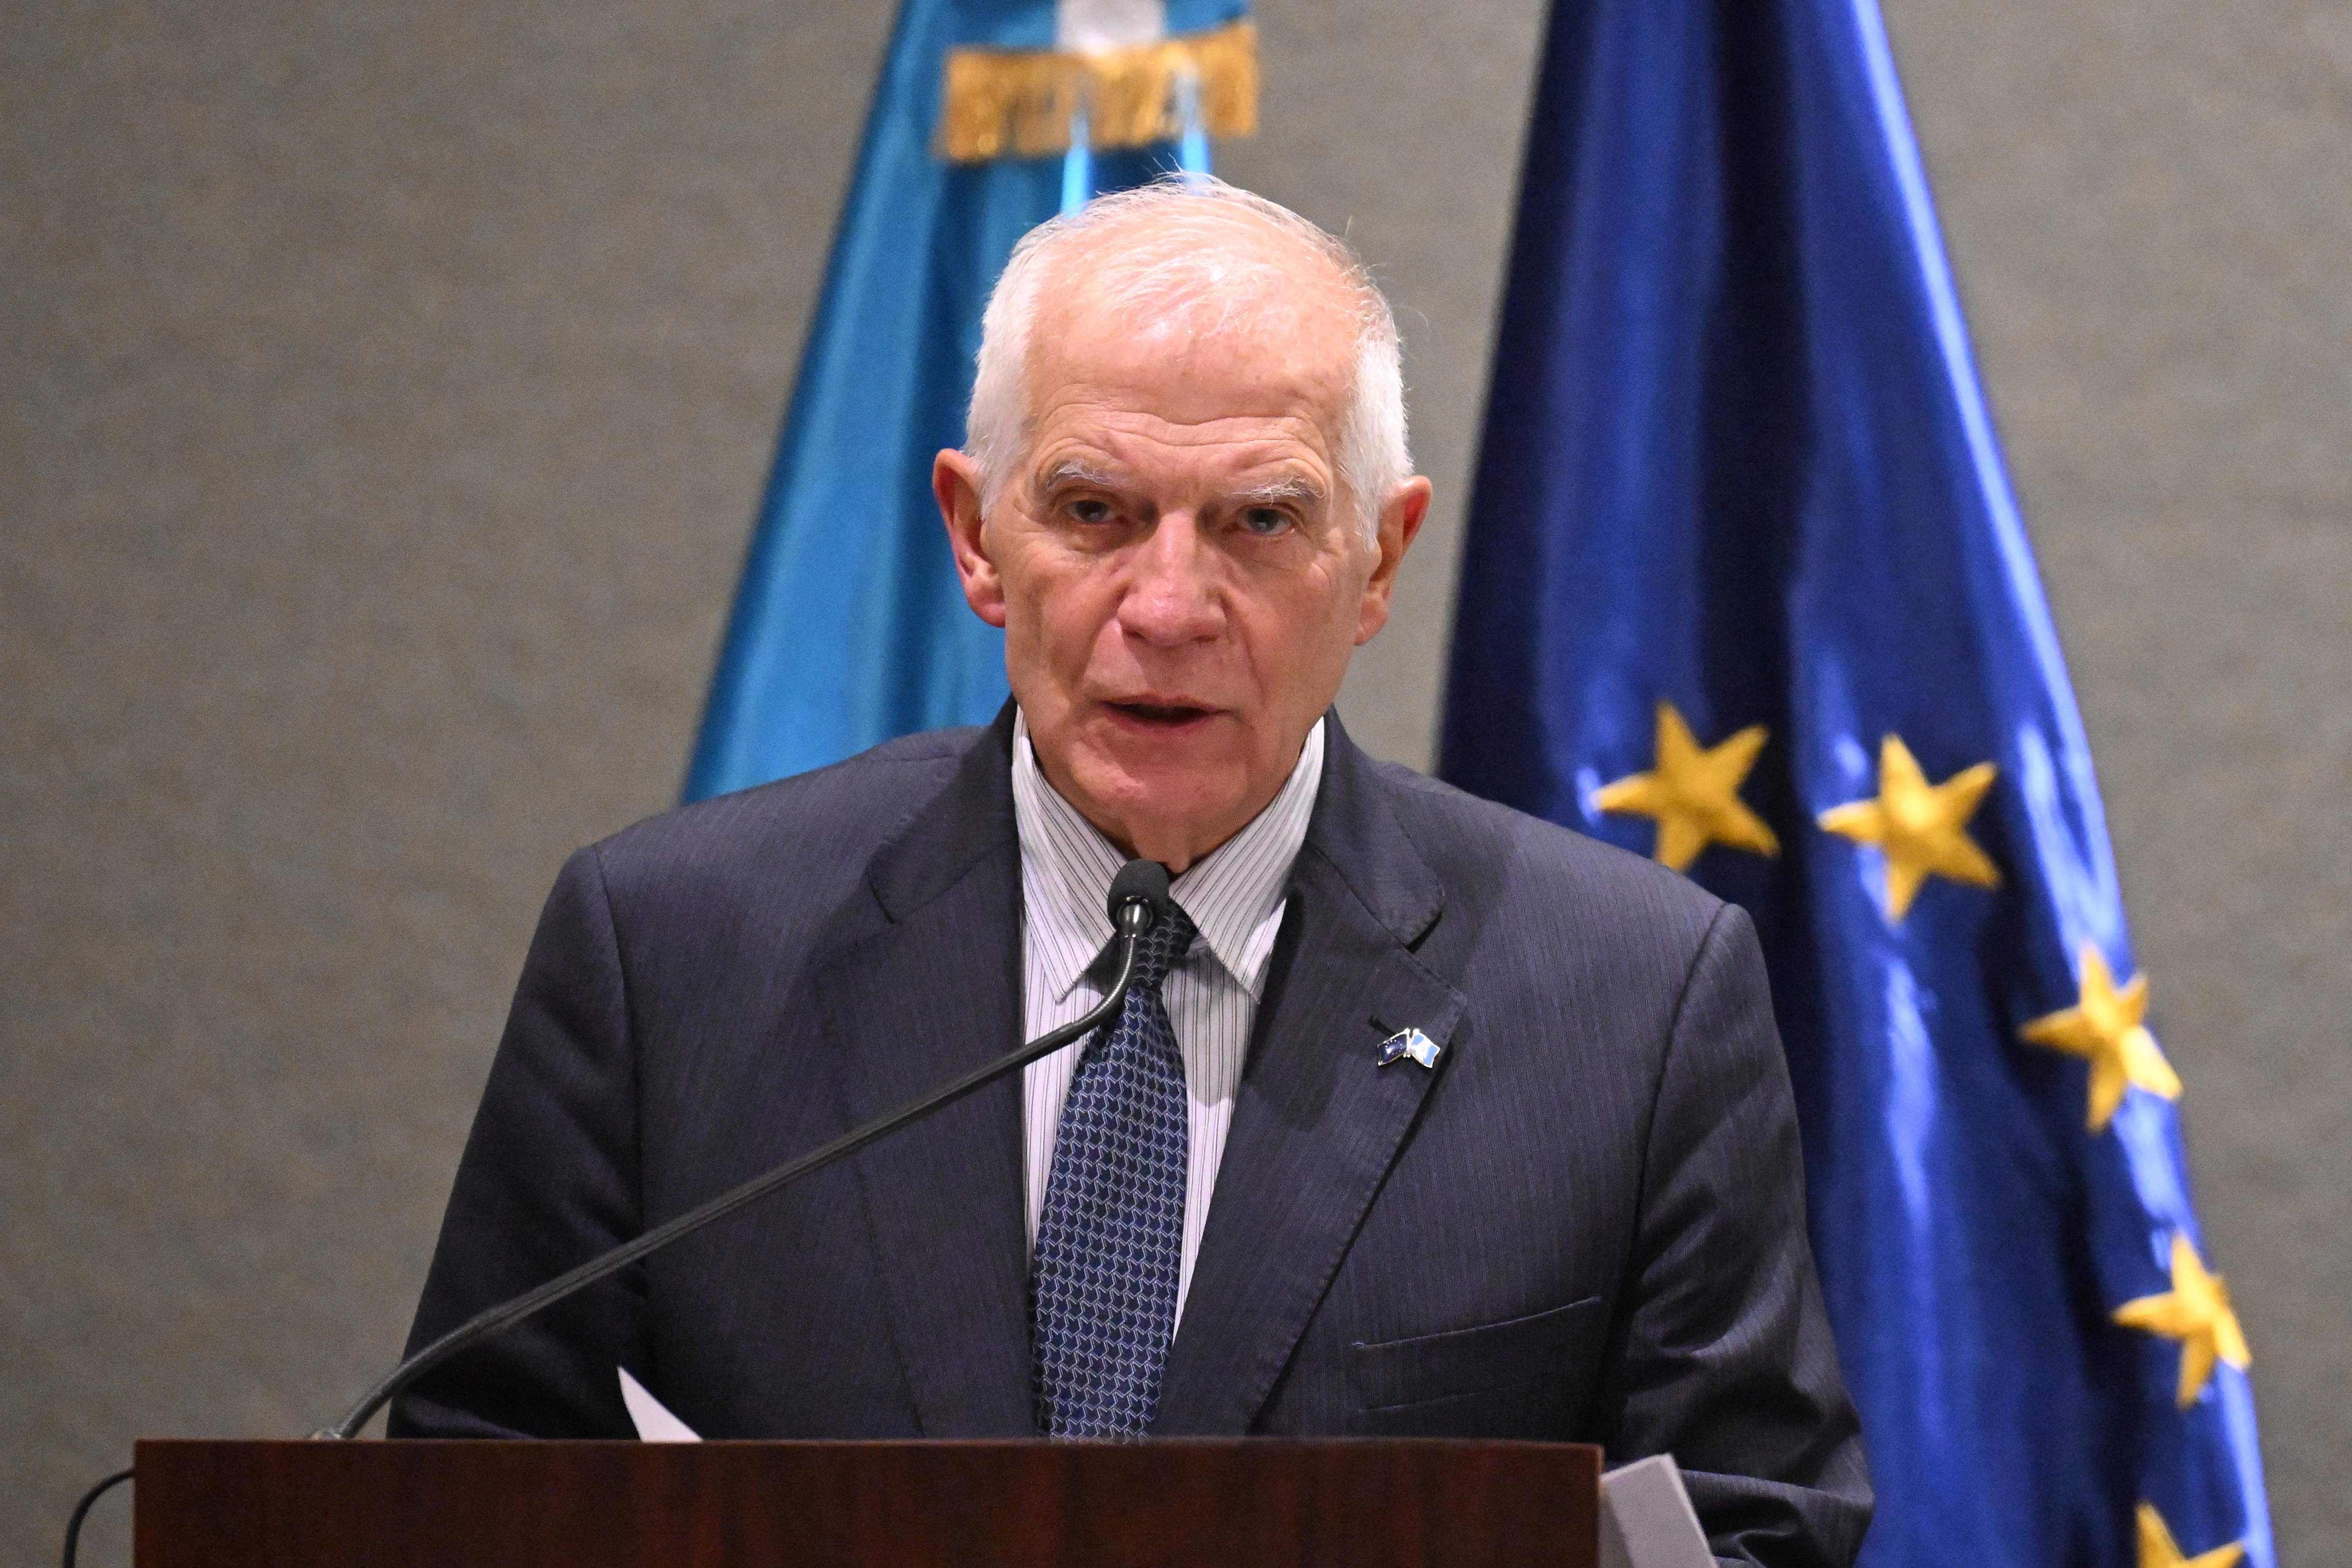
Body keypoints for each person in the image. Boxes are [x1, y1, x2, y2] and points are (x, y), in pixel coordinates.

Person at [394, 177, 1871, 1565]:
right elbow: (475, 1496)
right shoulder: (673, 954)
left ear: (1377, 561)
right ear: (977, 536)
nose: (1167, 608)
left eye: (1261, 521)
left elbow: (1755, 1535)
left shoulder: (1633, 1002)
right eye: (1095, 512)